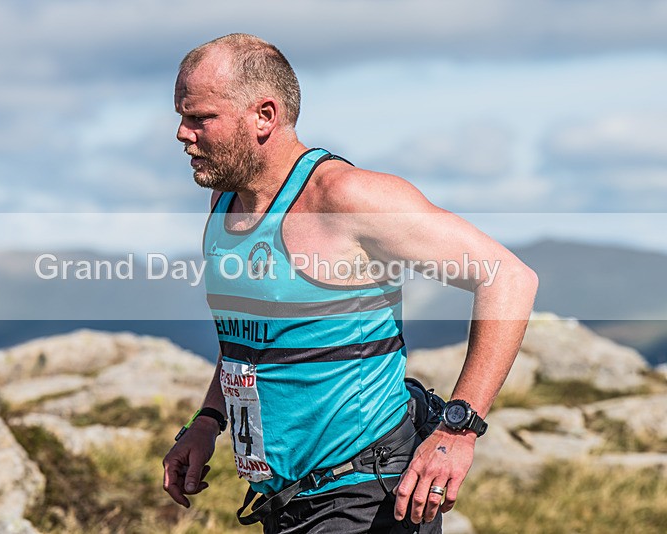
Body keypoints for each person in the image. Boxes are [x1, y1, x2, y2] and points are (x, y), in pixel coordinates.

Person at [163, 33, 538, 534]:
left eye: (199, 117)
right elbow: (250, 338)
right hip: (285, 504)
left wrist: (458, 429)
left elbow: (508, 277)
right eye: (181, 117)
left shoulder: (347, 198)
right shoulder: (225, 204)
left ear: (264, 115)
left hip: (366, 499)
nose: (182, 133)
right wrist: (209, 420)